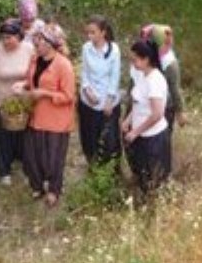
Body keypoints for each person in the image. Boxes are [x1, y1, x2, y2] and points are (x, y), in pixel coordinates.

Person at [15, 23, 75, 208]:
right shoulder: (35, 60)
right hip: (35, 116)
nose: (35, 43)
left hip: (56, 120)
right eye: (35, 39)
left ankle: (54, 190)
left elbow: (68, 96)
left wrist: (44, 94)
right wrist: (23, 85)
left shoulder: (63, 65)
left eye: (39, 40)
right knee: (32, 156)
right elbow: (30, 80)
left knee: (54, 159)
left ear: (50, 43)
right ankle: (37, 186)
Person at [0, 18, 35, 186]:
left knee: (25, 137)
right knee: (3, 137)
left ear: (18, 36)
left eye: (9, 37)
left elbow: (34, 74)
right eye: (3, 37)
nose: (5, 41)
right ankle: (4, 171)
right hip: (2, 101)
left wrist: (28, 89)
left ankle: (26, 166)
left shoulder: (29, 49)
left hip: (23, 102)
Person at [122, 38, 171, 196]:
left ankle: (154, 210)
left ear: (146, 59)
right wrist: (128, 120)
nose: (132, 62)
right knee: (142, 174)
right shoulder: (143, 76)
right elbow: (138, 103)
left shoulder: (155, 80)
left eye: (135, 59)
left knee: (154, 178)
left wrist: (135, 131)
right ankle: (143, 203)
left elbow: (157, 114)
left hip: (153, 138)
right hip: (142, 136)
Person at [77, 16, 122, 166]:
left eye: (93, 32)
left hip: (106, 103)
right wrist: (87, 91)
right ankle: (93, 166)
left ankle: (112, 172)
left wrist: (108, 101)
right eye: (88, 33)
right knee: (89, 137)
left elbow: (114, 78)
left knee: (109, 140)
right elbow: (84, 73)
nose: (89, 36)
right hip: (88, 101)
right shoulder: (86, 48)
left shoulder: (114, 50)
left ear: (103, 32)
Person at [140, 24, 185, 130]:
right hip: (146, 105)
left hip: (165, 107)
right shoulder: (145, 57)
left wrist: (180, 111)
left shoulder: (169, 63)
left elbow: (175, 89)